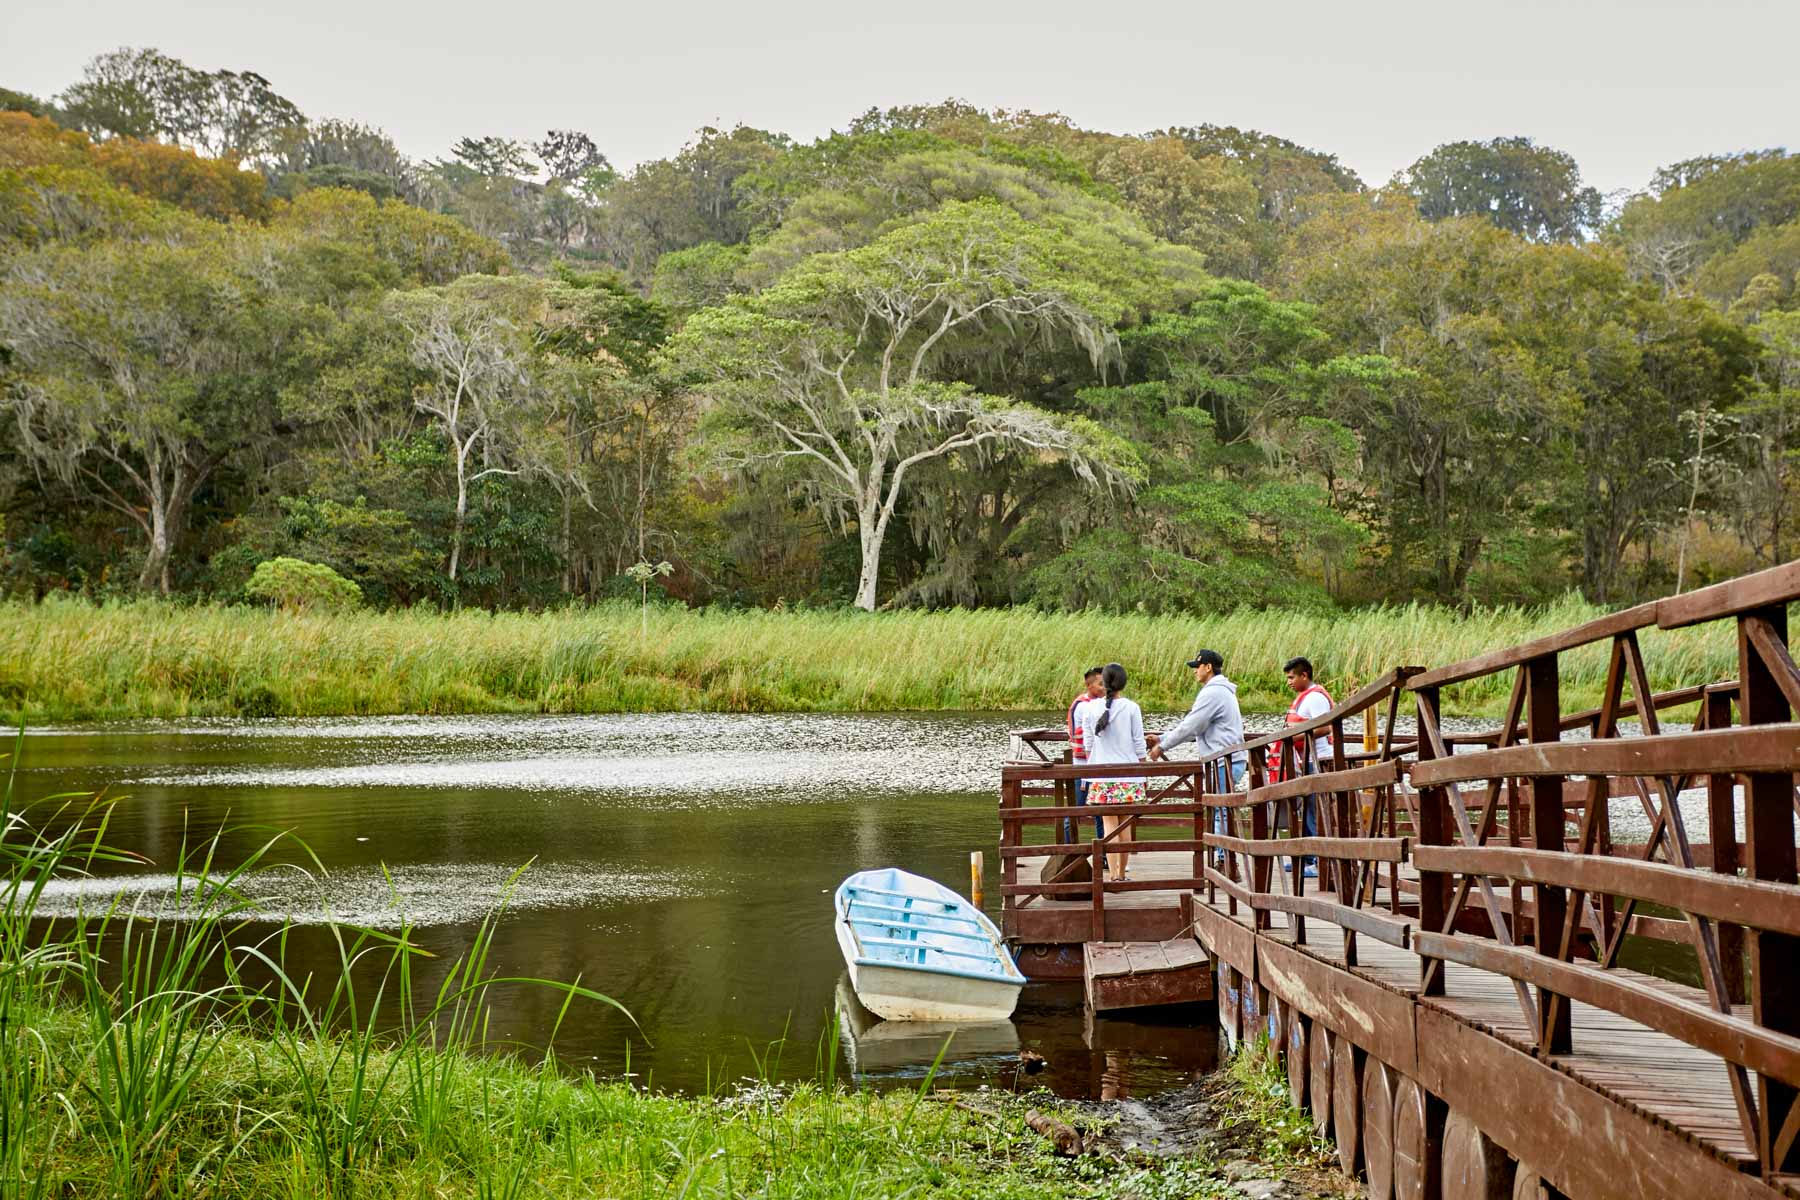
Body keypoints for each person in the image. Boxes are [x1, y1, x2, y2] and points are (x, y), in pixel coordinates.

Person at [1147, 649, 1246, 865]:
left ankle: (1225, 860)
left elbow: (1191, 727)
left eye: (1197, 667)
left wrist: (1162, 746)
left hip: (1224, 761)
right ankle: (1224, 858)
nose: (1195, 672)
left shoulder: (1213, 693)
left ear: (1208, 667)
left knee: (1220, 809)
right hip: (1228, 759)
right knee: (1221, 809)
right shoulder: (1221, 691)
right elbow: (1196, 726)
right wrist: (1162, 737)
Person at [1079, 662, 1148, 881]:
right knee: (1125, 825)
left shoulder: (1090, 708)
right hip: (1128, 774)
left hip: (1101, 775)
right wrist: (1144, 772)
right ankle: (1121, 874)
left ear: (1104, 682)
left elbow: (1087, 745)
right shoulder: (1131, 708)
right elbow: (1139, 745)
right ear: (1123, 683)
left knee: (1109, 826)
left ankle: (1113, 876)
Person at [1281, 656, 1334, 878]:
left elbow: (1326, 727)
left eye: (1292, 677)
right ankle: (1306, 857)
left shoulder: (1315, 698)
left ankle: (1315, 860)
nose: (1289, 682)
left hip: (1319, 759)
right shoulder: (1305, 698)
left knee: (1315, 809)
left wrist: (1295, 735)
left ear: (1305, 675)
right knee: (1308, 808)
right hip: (1308, 760)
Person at [1065, 666, 1105, 842]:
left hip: (1094, 764)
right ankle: (1068, 853)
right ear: (1089, 685)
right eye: (1100, 684)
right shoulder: (1084, 706)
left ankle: (1105, 856)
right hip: (1083, 766)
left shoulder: (1094, 703)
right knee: (1075, 812)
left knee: (1101, 813)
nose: (1104, 688)